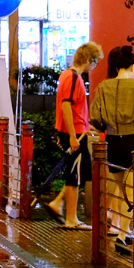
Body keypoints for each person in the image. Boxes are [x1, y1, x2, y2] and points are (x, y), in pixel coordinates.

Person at [46, 43, 102, 229]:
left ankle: (61, 205)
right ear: (87, 59)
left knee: (76, 172)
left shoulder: (66, 75)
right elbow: (66, 106)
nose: (94, 66)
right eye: (94, 62)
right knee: (75, 174)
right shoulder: (73, 77)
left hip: (77, 131)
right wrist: (72, 135)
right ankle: (70, 217)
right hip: (75, 133)